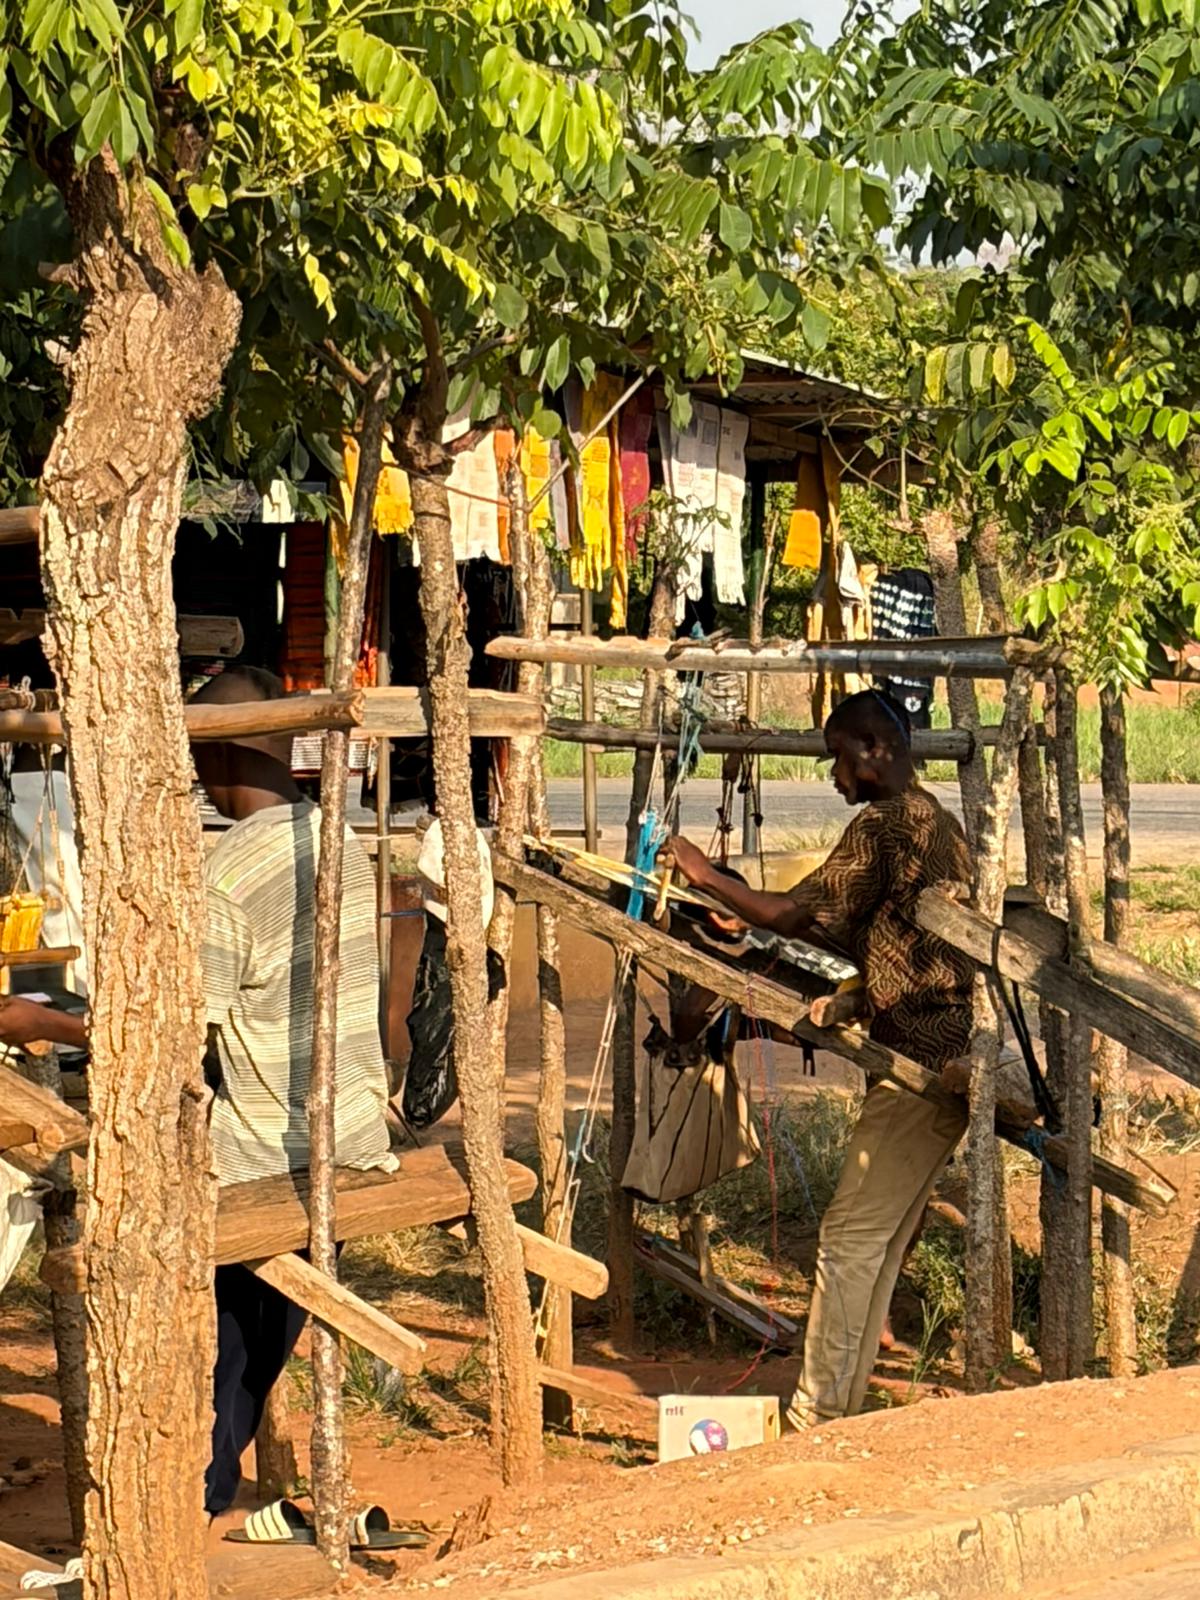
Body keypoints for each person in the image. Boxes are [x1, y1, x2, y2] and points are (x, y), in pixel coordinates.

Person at [0, 666, 394, 1512]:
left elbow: (171, 1041)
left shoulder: (228, 878)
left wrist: (42, 1023)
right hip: (352, 1128)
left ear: (216, 757)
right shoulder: (341, 842)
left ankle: (185, 1491)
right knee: (249, 1339)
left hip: (265, 1154)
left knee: (202, 1327)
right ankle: (207, 1475)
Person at [666, 687, 973, 1426]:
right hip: (947, 1048)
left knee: (848, 1239)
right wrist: (754, 921)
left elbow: (797, 913)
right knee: (878, 1239)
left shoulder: (885, 824)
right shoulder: (937, 821)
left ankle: (819, 1414)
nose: (833, 777)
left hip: (920, 1064)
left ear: (874, 750)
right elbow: (860, 932)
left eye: (837, 758)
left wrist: (706, 876)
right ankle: (838, 1402)